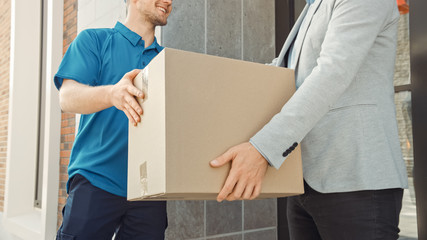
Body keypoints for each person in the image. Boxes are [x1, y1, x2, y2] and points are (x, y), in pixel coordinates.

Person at [210, 0, 408, 239]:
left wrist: (263, 148)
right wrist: (205, 83)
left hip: (356, 179)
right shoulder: (314, 6)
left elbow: (331, 74)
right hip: (306, 181)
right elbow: (283, 75)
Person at [54, 0, 173, 239]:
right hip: (95, 181)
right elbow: (67, 97)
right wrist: (112, 94)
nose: (169, 1)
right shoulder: (94, 41)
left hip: (150, 192)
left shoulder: (167, 62)